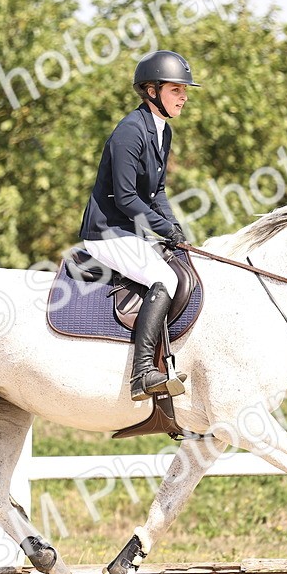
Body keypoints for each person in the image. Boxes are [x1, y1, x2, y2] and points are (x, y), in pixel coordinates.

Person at [78, 50, 199, 401]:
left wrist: (175, 228)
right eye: (176, 89)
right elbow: (126, 198)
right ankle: (142, 372)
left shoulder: (162, 132)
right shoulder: (130, 132)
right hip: (106, 232)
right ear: (151, 90)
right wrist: (163, 229)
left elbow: (157, 191)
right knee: (166, 279)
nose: (183, 96)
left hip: (130, 231)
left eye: (183, 90)